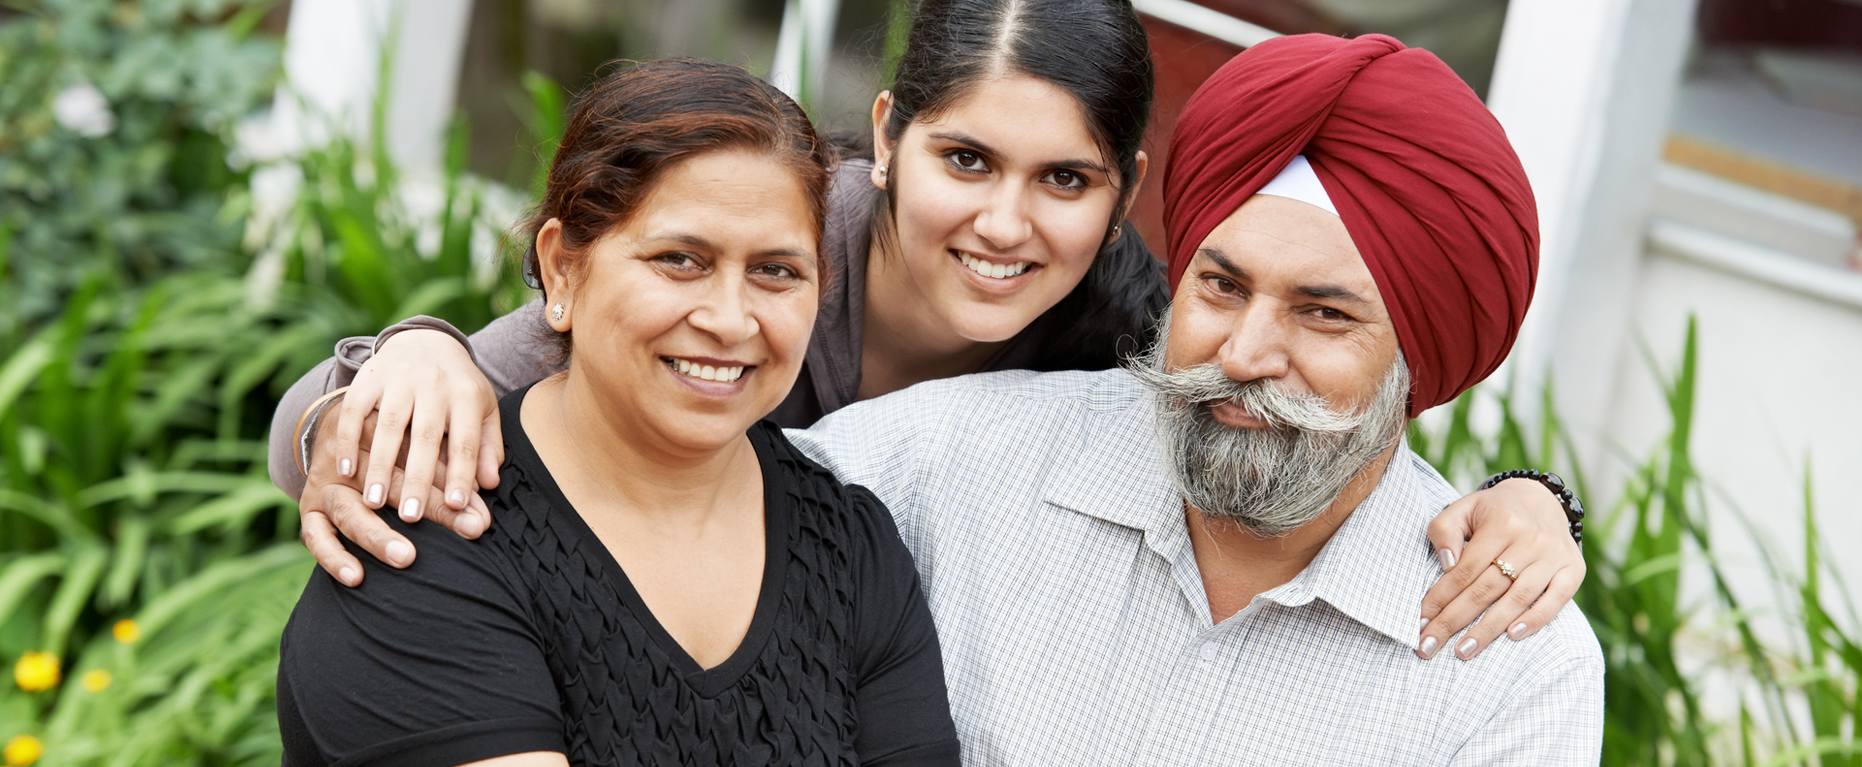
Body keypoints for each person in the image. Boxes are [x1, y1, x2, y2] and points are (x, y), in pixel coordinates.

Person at [278, 0, 1583, 660]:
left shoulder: (1122, 337)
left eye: (1063, 181)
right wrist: (413, 356)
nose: (1006, 224)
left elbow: (1304, 433)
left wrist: (1533, 501)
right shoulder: (772, 258)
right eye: (967, 158)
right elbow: (344, 430)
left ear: (1124, 189)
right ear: (891, 132)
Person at [789, 33, 1603, 762]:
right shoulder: (934, 464)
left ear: (1417, 359)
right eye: (1220, 286)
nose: (1242, 354)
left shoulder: (1513, 666)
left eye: (1323, 313)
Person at [277, 58, 960, 766]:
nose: (731, 319)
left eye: (776, 271)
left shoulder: (853, 548)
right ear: (562, 268)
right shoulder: (433, 536)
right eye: (680, 259)